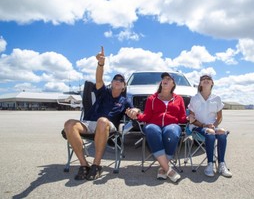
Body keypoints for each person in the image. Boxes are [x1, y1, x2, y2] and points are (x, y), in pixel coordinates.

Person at [64, 46, 140, 181]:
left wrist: (135, 110)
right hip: (89, 124)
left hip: (107, 126)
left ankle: (96, 164)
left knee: (102, 121)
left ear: (123, 86)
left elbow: (135, 110)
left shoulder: (125, 100)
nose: (118, 81)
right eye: (115, 79)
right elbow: (99, 79)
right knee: (69, 124)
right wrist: (101, 63)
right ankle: (84, 165)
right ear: (111, 83)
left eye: (121, 80)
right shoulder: (103, 92)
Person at [126, 72, 187, 183]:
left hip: (172, 125)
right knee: (151, 129)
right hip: (154, 124)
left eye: (169, 78)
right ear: (161, 83)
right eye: (164, 78)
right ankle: (168, 169)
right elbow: (147, 116)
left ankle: (162, 168)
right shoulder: (151, 98)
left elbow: (182, 117)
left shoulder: (179, 99)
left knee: (171, 131)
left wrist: (190, 118)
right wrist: (137, 115)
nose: (165, 80)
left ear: (173, 84)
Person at [187, 74, 232, 178]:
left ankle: (221, 164)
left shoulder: (217, 98)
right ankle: (210, 164)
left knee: (221, 131)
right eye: (203, 79)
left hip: (211, 127)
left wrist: (214, 125)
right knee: (210, 132)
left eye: (208, 79)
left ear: (212, 83)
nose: (206, 80)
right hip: (198, 127)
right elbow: (192, 118)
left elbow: (219, 117)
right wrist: (203, 125)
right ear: (200, 83)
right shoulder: (194, 98)